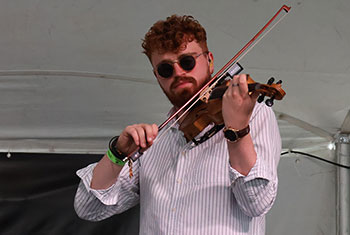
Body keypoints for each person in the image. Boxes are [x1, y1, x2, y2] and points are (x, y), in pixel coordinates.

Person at [74, 14, 281, 235]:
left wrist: (237, 130)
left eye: (187, 61)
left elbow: (257, 203)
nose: (179, 73)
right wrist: (117, 153)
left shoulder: (254, 115)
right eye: (166, 69)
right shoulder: (156, 139)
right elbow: (89, 209)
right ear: (157, 75)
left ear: (209, 60)